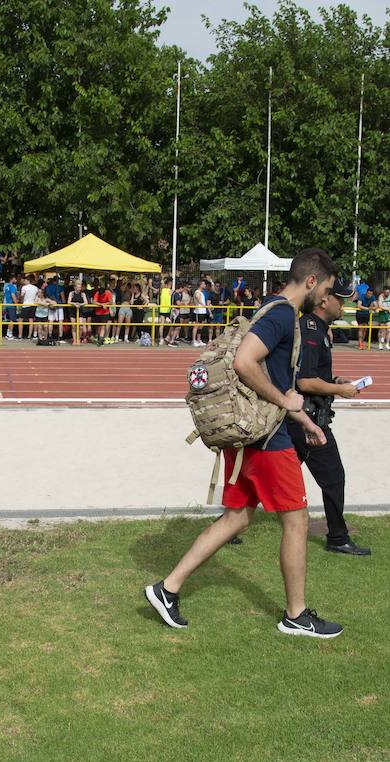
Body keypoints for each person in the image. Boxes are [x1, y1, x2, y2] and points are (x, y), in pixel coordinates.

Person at [144, 248, 343, 639]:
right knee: (297, 520)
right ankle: (296, 615)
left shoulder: (270, 308)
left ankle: (167, 589)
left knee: (238, 517)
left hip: (252, 434)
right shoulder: (284, 314)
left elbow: (274, 380)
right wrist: (289, 404)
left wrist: (302, 419)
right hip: (268, 440)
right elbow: (245, 362)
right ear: (311, 282)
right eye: (329, 289)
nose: (327, 298)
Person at [290, 281, 371, 557]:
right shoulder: (312, 331)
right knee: (334, 478)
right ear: (324, 300)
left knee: (272, 474)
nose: (344, 304)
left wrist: (335, 380)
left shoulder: (317, 329)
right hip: (309, 420)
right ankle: (337, 537)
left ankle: (230, 525)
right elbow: (306, 381)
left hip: (301, 417)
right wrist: (340, 389)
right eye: (341, 298)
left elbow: (314, 375)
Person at [2, 274, 20, 340]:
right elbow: (13, 295)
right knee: (12, 320)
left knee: (10, 320)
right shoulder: (12, 287)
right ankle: (10, 335)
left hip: (7, 305)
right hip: (11, 305)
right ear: (12, 279)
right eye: (15, 279)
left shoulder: (7, 287)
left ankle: (8, 334)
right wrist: (16, 304)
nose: (16, 280)